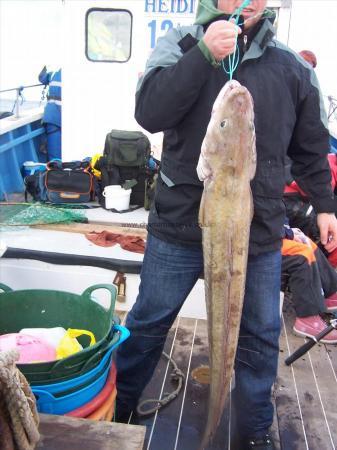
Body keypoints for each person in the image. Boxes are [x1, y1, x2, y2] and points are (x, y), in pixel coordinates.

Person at [116, 1, 337, 449]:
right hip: (180, 225)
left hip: (255, 233)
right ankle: (117, 413)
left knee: (259, 335)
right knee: (147, 323)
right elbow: (150, 114)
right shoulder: (179, 45)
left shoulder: (292, 67)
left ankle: (253, 430)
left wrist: (326, 205)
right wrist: (203, 54)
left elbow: (312, 144)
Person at [282, 225, 337, 343]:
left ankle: (330, 294)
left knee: (306, 241)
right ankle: (307, 320)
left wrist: (287, 229)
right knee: (303, 254)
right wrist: (286, 233)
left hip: (272, 231)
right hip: (258, 241)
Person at [38, 67, 62, 160]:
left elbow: (42, 78)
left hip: (52, 118)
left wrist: (44, 68)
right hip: (56, 118)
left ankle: (55, 171)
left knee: (55, 156)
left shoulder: (53, 74)